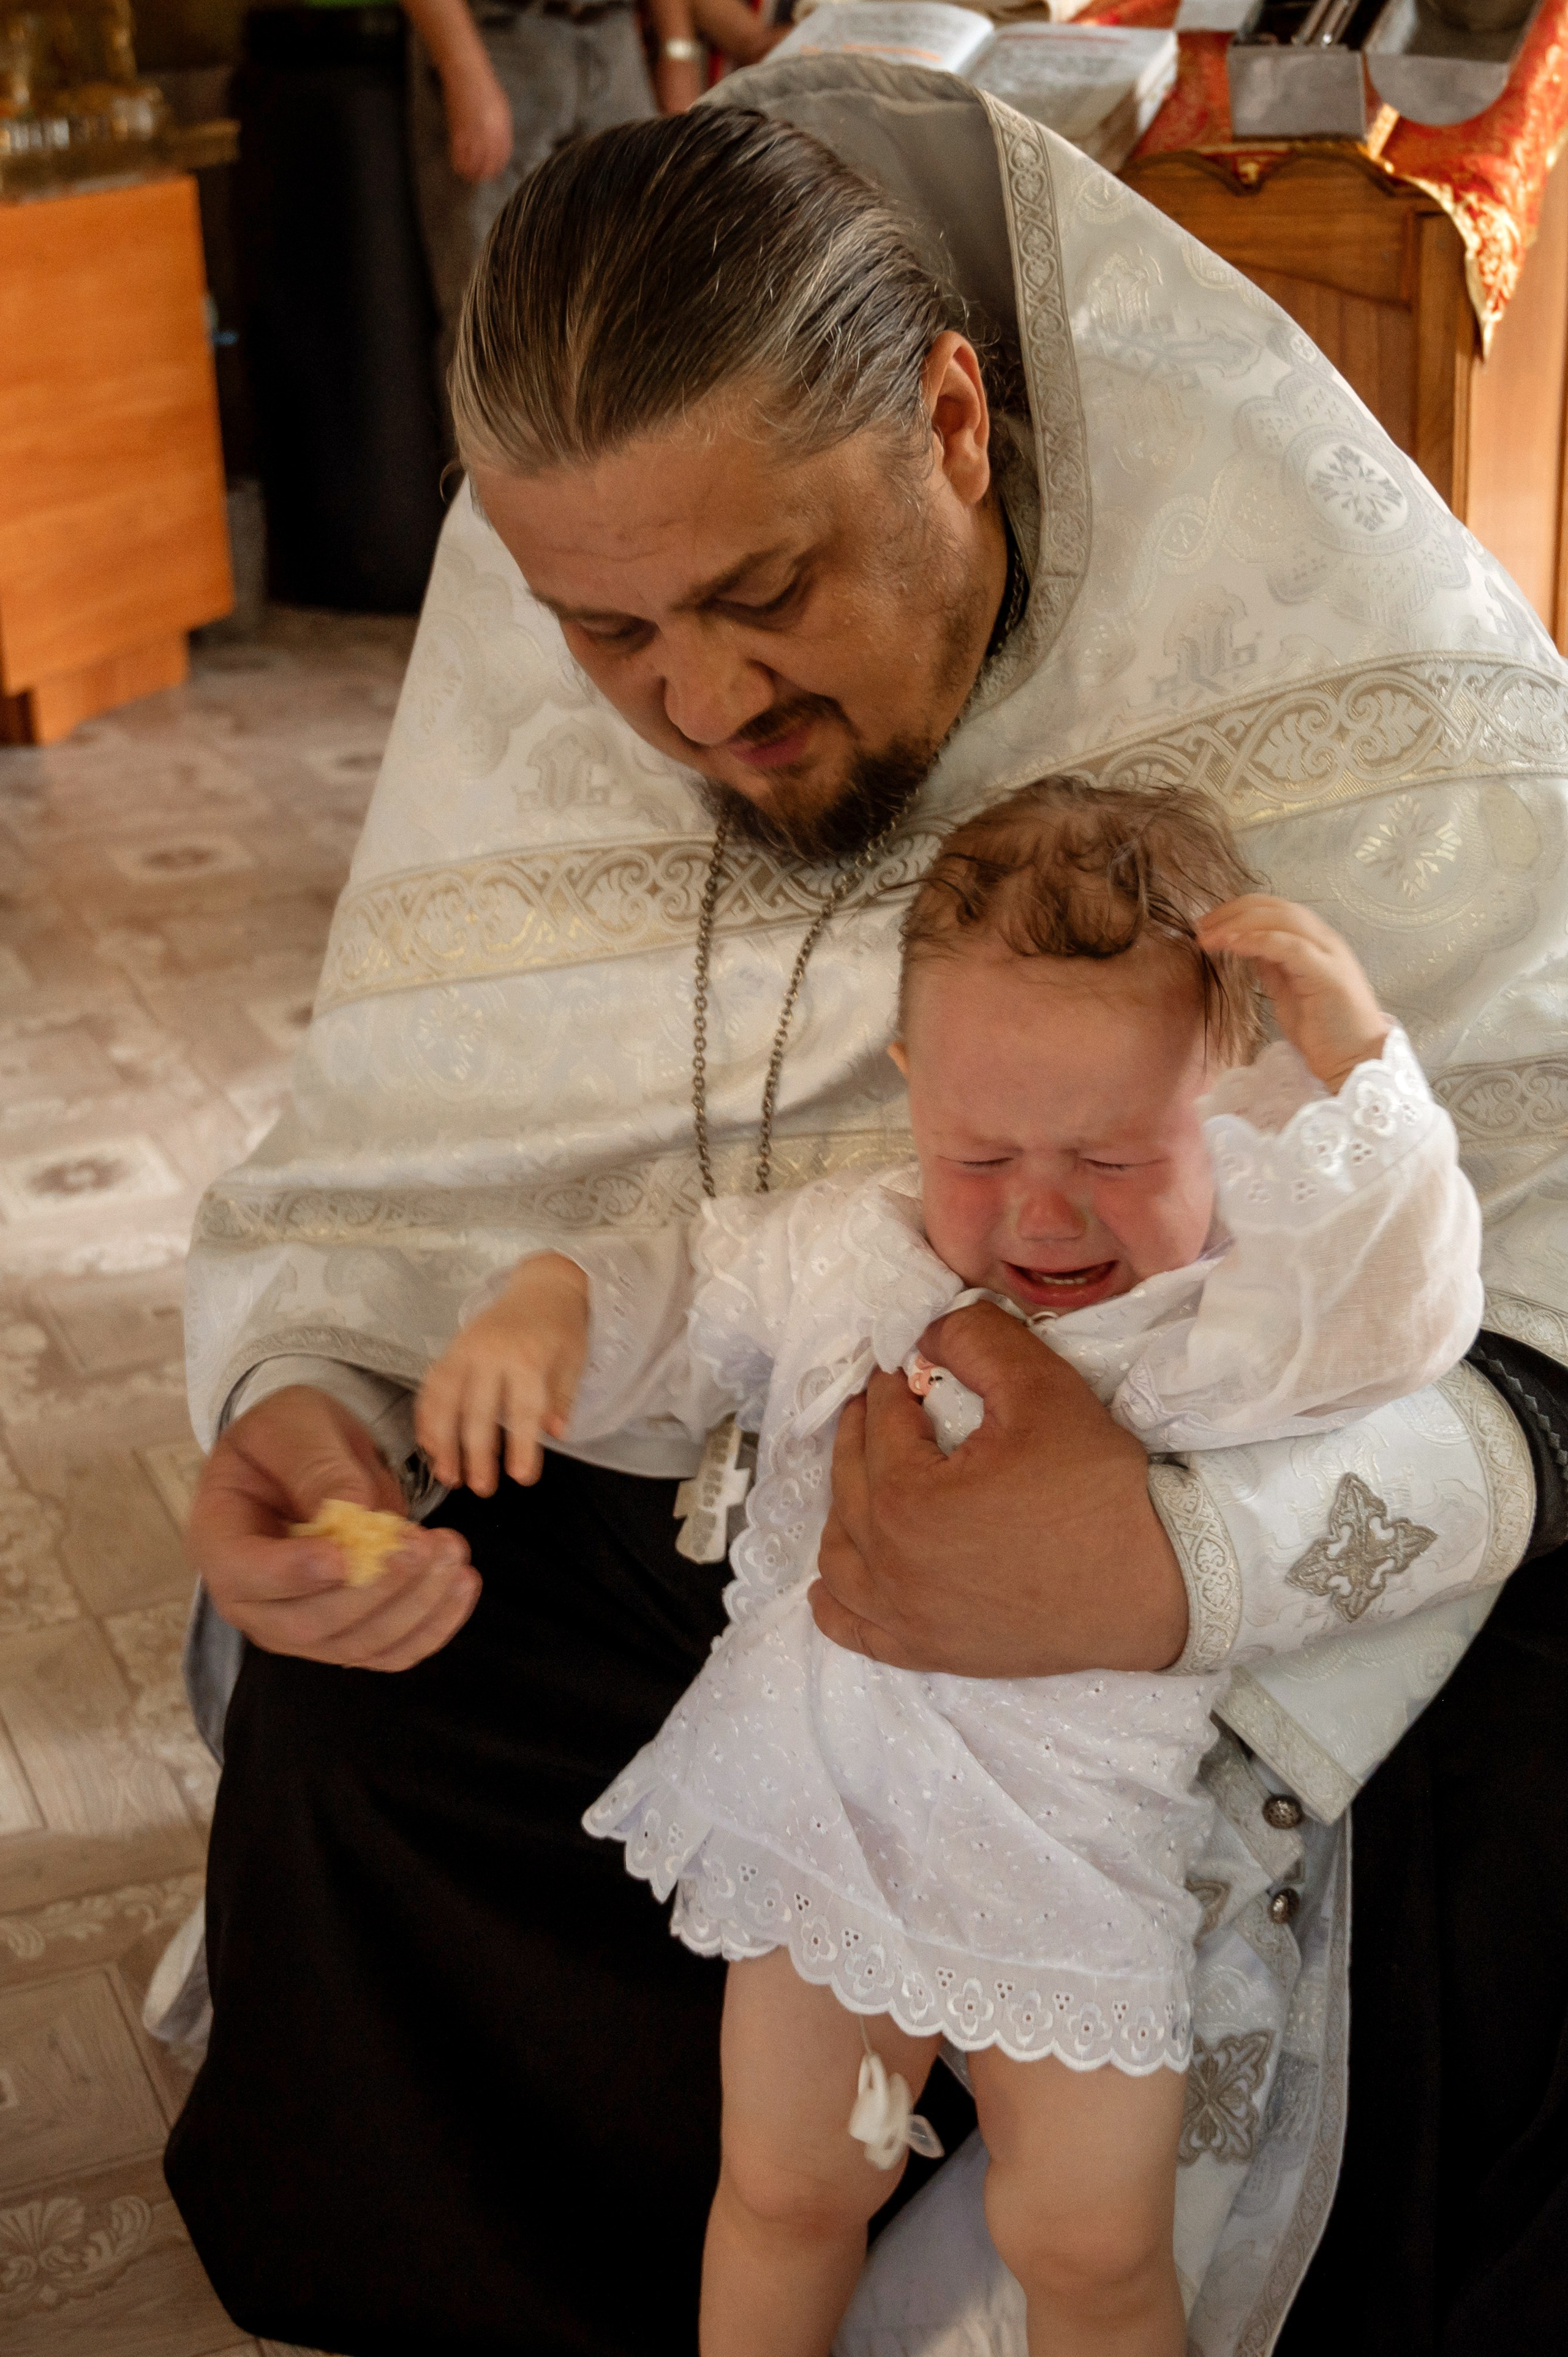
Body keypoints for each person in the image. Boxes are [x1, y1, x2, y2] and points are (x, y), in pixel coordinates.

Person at [163, 69, 1568, 2357]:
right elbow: (462, 1212)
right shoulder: (589, 614)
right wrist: (321, 1396)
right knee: (368, 1734)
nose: (695, 702)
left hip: (1244, 1507)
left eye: (761, 591)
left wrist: (1158, 1556)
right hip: (791, 1544)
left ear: (948, 420)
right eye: (604, 636)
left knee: (1509, 1843)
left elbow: (1501, 1239)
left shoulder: (1303, 620)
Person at [415, 777, 1483, 2357]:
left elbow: (1409, 1310)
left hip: (1065, 1856)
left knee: (1088, 2239)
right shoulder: (852, 1248)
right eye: (977, 1150)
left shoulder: (1222, 1319)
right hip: (818, 1804)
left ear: (1227, 1105)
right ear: (912, 1088)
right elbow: (687, 1285)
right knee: (782, 2188)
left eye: (1116, 1158)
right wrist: (547, 1302)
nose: (1042, 1210)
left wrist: (1363, 1072)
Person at [404, 0, 783, 372]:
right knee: (495, 316)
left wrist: (677, 49)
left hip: (615, 37)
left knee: (646, 301)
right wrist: (462, 67)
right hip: (499, 37)